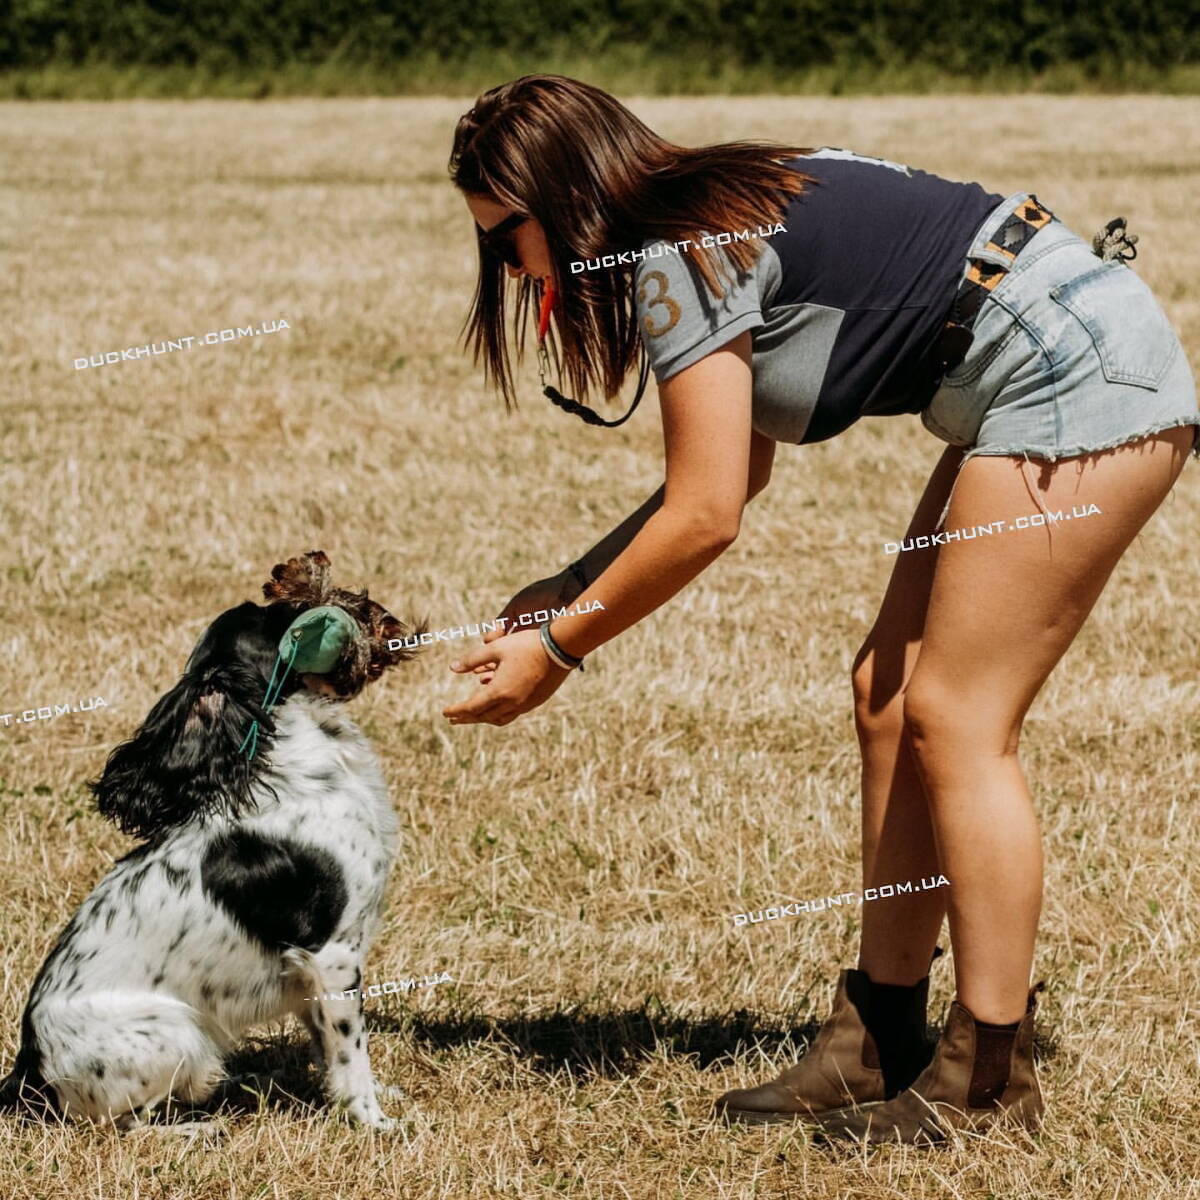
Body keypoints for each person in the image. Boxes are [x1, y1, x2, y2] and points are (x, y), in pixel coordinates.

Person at [441, 74, 1199, 1145]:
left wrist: (559, 648)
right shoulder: (703, 214)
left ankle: (990, 1078)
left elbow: (706, 516)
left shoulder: (676, 256)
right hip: (1039, 367)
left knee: (958, 714)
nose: (507, 269)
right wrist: (570, 586)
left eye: (503, 237)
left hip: (1076, 378)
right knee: (888, 697)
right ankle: (878, 1037)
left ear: (561, 202)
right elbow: (729, 476)